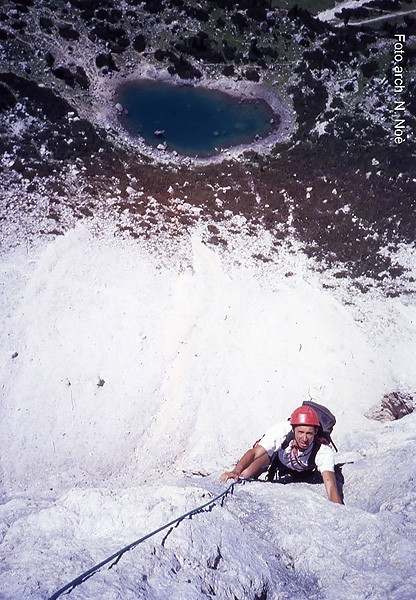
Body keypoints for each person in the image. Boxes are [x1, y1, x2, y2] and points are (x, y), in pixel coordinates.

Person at [220, 405, 343, 504]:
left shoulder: (323, 450)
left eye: (309, 433)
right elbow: (255, 452)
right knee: (244, 474)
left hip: (303, 470)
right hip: (277, 460)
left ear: (316, 432)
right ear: (293, 429)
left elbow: (331, 486)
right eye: (300, 432)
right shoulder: (281, 431)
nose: (304, 438)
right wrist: (235, 471)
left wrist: (338, 511)